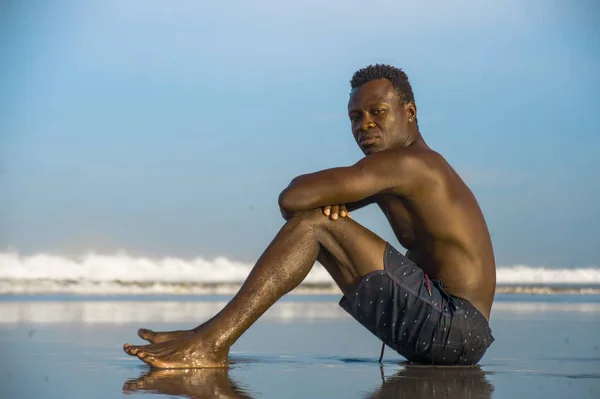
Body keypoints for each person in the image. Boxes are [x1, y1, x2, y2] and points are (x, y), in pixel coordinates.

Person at [123, 64, 496, 368]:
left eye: (377, 112)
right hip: (454, 333)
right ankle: (205, 334)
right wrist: (327, 209)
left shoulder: (411, 164)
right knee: (318, 222)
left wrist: (322, 213)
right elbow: (310, 202)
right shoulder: (396, 173)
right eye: (355, 116)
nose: (364, 124)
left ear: (409, 113)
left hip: (455, 326)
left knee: (313, 226)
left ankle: (210, 343)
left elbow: (293, 198)